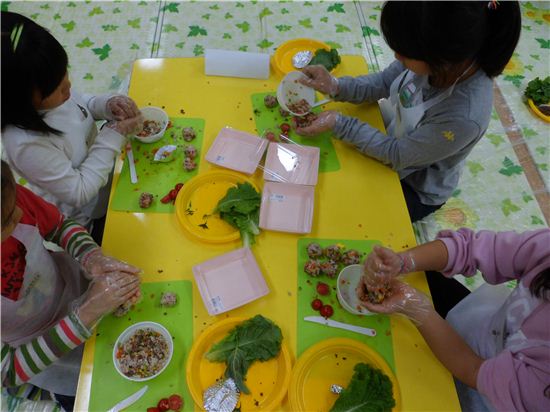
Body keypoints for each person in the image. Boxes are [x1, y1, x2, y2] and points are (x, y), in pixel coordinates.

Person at [296, 1, 521, 222]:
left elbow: (397, 155)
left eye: (404, 53)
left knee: (337, 210)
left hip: (414, 186)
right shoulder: (430, 51)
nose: (397, 57)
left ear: (441, 58)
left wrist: (340, 124)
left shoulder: (464, 116)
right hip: (397, 139)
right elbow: (384, 81)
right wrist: (336, 86)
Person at [358, 228, 550, 411]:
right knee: (428, 272)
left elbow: (473, 370)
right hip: (481, 327)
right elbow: (470, 248)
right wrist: (402, 262)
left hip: (480, 395)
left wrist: (418, 308)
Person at [1, 160, 142, 405]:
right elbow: (9, 370)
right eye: (7, 222)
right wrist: (83, 316)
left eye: (14, 206)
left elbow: (59, 226)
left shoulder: (6, 197)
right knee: (96, 390)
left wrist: (91, 256)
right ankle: (50, 396)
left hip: (72, 282)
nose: (20, 214)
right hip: (46, 350)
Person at [1, 11, 143, 234]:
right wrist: (112, 134)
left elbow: (82, 104)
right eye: (55, 87)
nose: (68, 85)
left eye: (64, 73)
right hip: (87, 213)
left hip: (109, 177)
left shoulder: (52, 90)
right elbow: (79, 192)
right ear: (18, 103)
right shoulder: (27, 146)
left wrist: (106, 105)